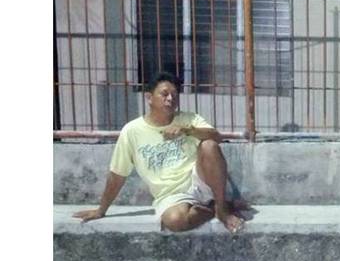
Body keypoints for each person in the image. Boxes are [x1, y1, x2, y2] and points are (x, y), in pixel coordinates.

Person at [73, 71, 245, 233]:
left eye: (174, 95)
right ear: (149, 98)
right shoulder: (132, 131)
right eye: (164, 94)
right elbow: (118, 174)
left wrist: (188, 130)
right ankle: (213, 209)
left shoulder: (189, 119)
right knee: (175, 221)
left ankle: (222, 209)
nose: (170, 98)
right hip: (170, 195)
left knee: (209, 146)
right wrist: (101, 210)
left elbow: (217, 137)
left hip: (199, 182)